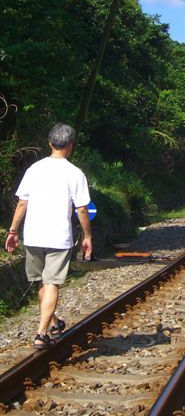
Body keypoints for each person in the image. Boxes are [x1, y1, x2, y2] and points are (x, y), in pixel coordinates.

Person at [4, 123, 92, 350]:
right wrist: (88, 236)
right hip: (58, 237)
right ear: (70, 145)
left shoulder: (34, 169)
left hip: (33, 236)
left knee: (42, 282)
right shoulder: (75, 173)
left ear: (50, 143)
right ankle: (41, 334)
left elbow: (23, 202)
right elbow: (81, 209)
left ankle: (54, 323)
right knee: (51, 283)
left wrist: (13, 231)